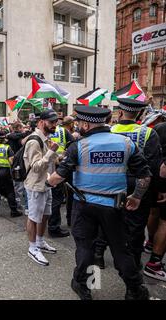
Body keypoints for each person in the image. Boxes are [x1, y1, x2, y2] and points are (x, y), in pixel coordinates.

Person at [47, 105, 151, 300]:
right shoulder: (126, 143)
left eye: (79, 123)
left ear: (86, 124)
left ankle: (82, 285)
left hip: (84, 205)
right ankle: (135, 290)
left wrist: (47, 181)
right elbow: (144, 175)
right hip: (114, 206)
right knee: (121, 249)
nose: (78, 126)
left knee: (85, 247)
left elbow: (58, 177)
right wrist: (136, 196)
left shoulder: (78, 146)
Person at [94, 99, 165, 271]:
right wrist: (160, 189)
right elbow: (153, 166)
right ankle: (132, 261)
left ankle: (98, 254)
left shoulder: (108, 131)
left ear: (120, 113)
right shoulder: (148, 133)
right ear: (140, 114)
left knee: (106, 219)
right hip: (137, 184)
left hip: (110, 183)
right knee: (136, 224)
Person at [23, 109, 59, 266]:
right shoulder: (34, 141)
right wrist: (51, 152)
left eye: (55, 122)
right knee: (33, 217)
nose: (54, 125)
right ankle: (32, 248)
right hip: (35, 185)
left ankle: (39, 241)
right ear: (41, 122)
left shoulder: (45, 138)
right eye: (51, 122)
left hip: (46, 183)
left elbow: (49, 162)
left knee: (45, 215)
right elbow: (36, 167)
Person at [143, 119, 166, 281]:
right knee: (165, 221)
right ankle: (155, 263)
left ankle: (151, 243)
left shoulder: (158, 127)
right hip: (162, 177)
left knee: (154, 211)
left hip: (154, 176)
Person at [48, 117, 74, 238]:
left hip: (47, 167)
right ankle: (54, 227)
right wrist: (64, 155)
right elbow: (74, 145)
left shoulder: (41, 131)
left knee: (50, 197)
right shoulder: (64, 131)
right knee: (59, 198)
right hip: (60, 166)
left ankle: (48, 224)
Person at [0, 130, 21, 218]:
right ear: (4, 139)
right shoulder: (7, 148)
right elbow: (11, 161)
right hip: (5, 171)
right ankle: (13, 211)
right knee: (10, 191)